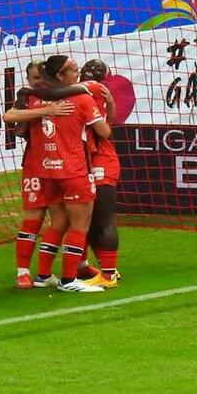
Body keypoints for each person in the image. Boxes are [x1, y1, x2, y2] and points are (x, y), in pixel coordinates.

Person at [25, 55, 112, 292]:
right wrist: (108, 106)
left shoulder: (35, 99)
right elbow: (104, 132)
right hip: (74, 170)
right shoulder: (82, 98)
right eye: (73, 70)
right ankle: (68, 280)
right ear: (60, 76)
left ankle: (43, 275)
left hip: (47, 171)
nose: (78, 73)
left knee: (58, 223)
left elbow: (17, 121)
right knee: (79, 226)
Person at [8, 60, 83, 290]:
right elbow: (9, 116)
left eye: (40, 77)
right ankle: (23, 272)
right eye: (33, 78)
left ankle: (69, 268)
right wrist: (47, 111)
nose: (37, 82)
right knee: (34, 217)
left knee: (68, 218)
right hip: (34, 165)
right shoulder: (28, 97)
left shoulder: (66, 93)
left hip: (60, 166)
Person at [77, 58, 121, 288]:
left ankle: (108, 274)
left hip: (101, 159)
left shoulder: (89, 88)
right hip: (85, 159)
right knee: (88, 219)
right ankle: (96, 267)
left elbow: (104, 131)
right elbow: (109, 120)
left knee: (102, 219)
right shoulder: (97, 92)